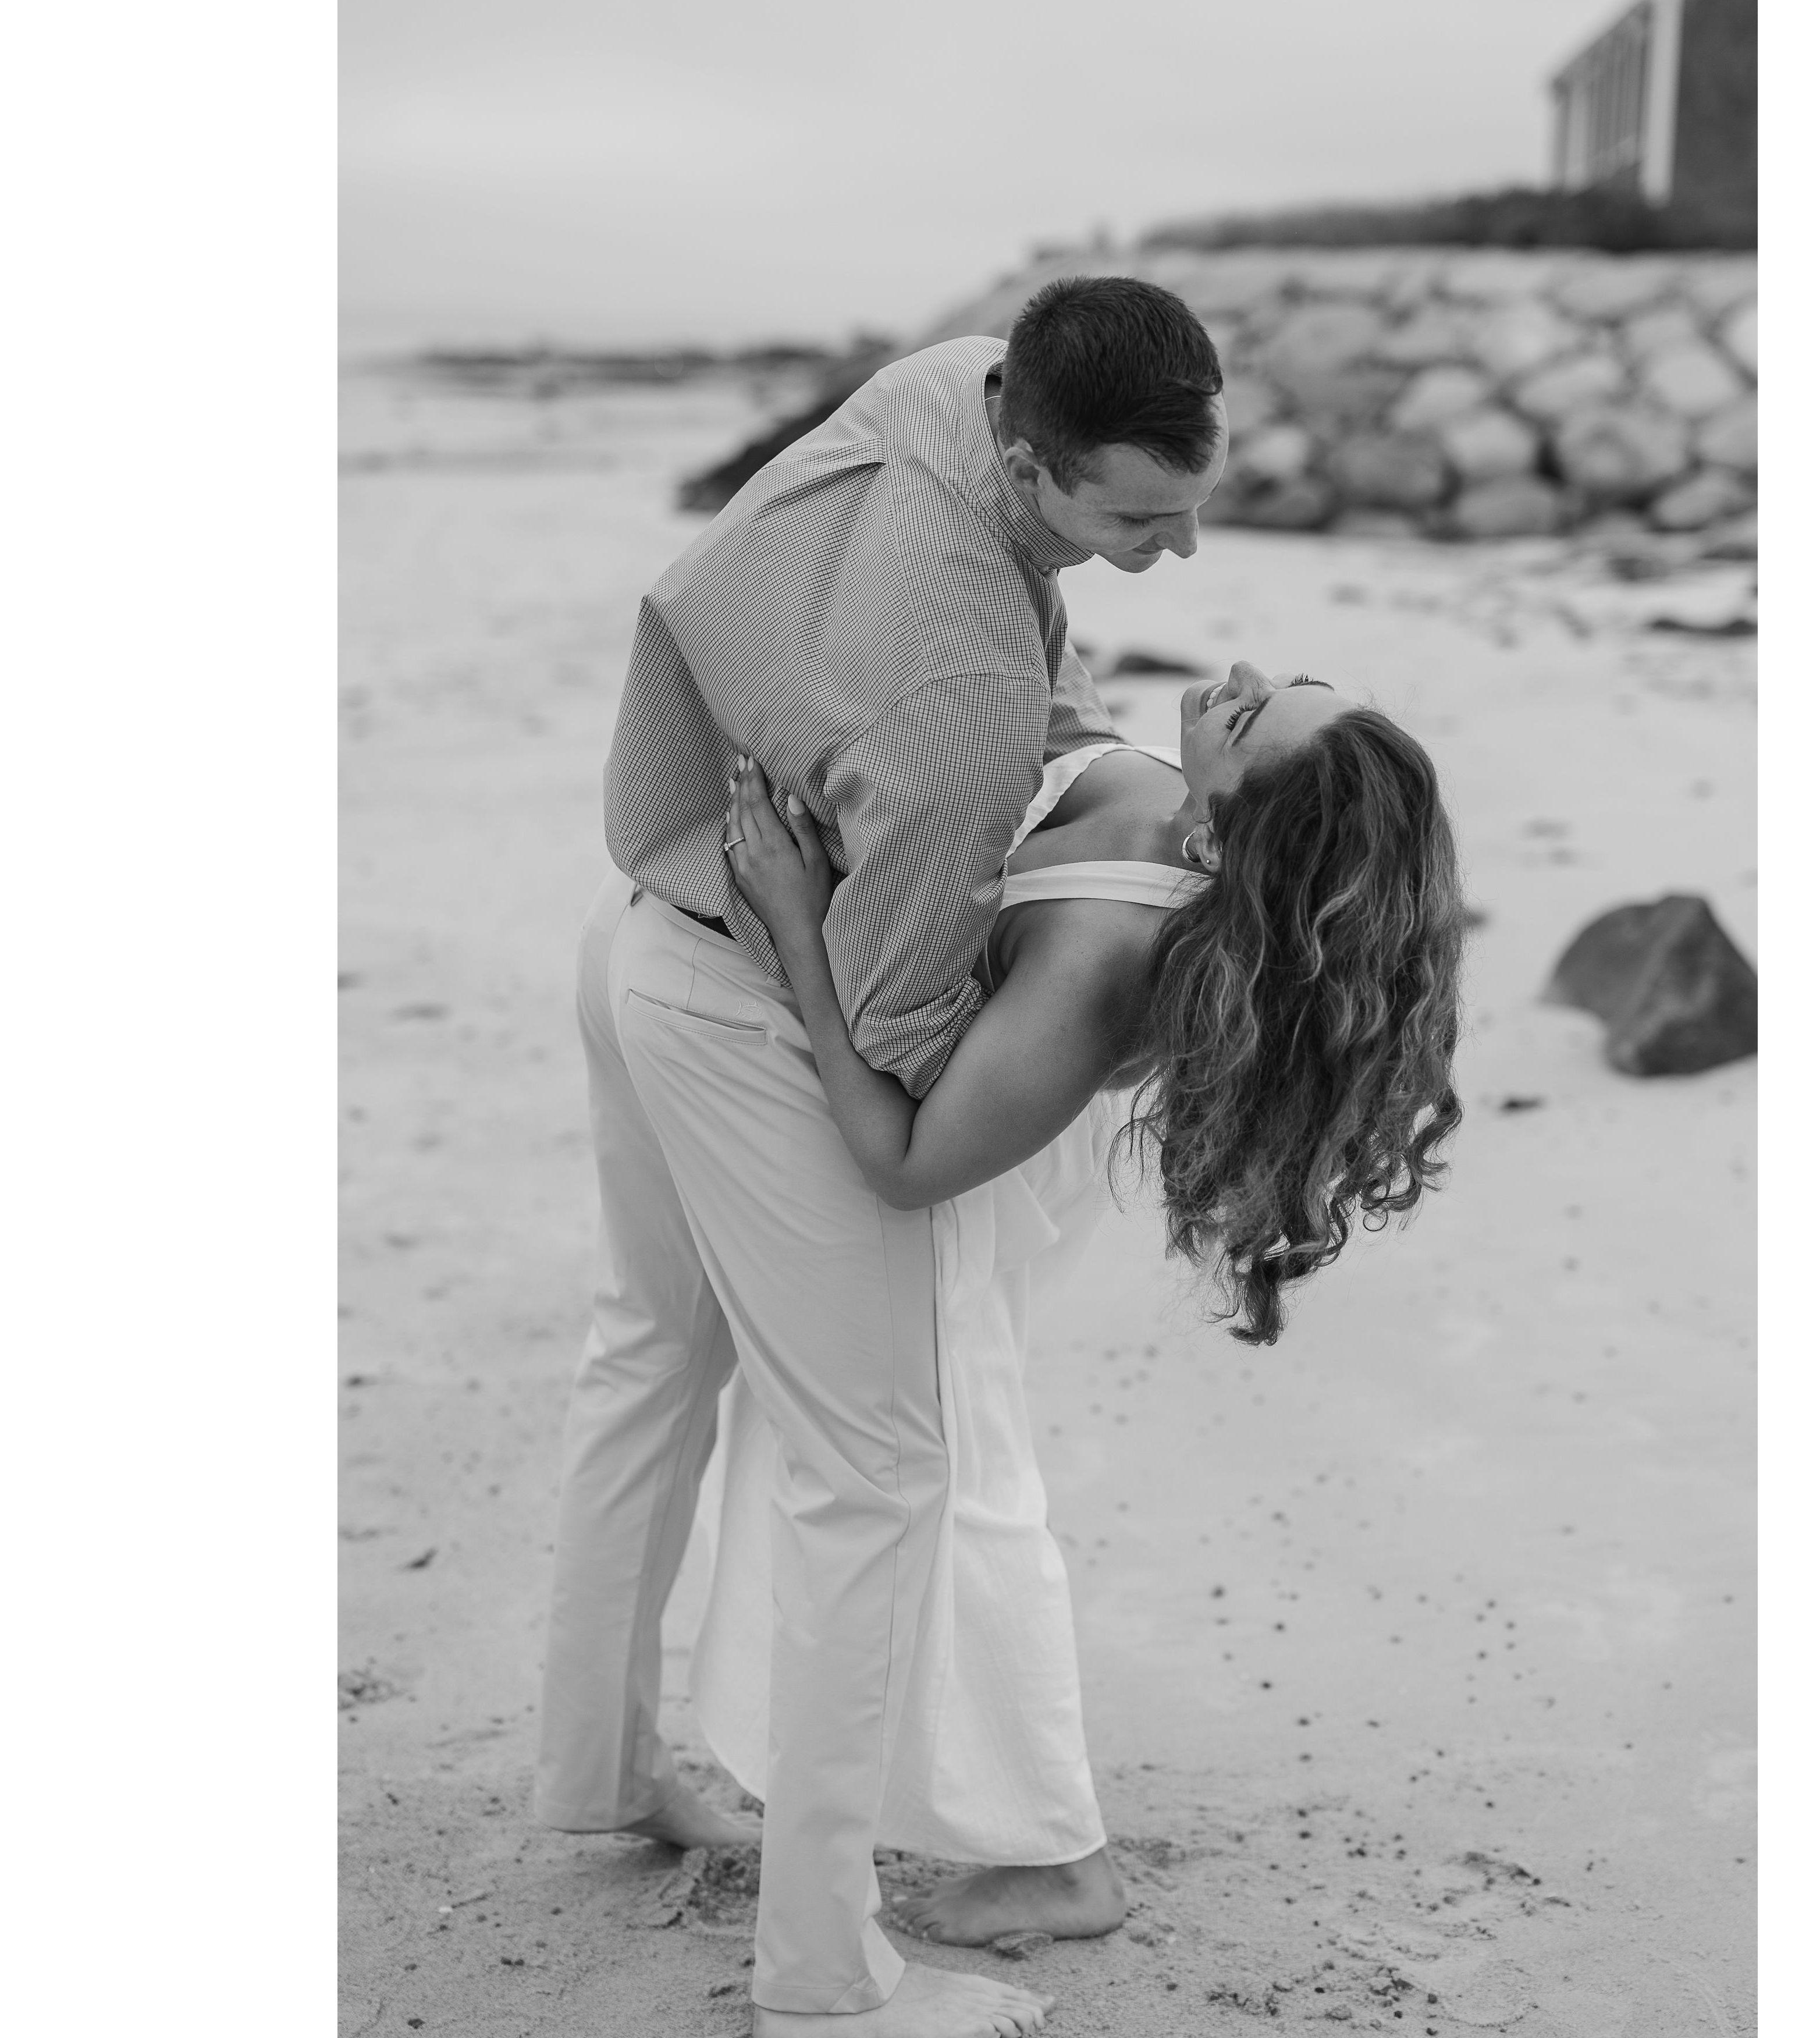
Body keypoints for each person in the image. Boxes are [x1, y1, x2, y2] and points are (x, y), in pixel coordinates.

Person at [536, 275, 1229, 2038]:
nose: (1176, 554)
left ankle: (601, 1773)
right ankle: (825, 1979)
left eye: (1192, 500)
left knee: (650, 1361)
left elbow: (990, 672)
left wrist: (1067, 770)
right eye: (1134, 521)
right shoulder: (961, 701)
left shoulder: (947, 384)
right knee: (880, 1478)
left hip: (640, 918)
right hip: (739, 1010)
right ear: (1031, 457)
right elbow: (899, 1048)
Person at [704, 660, 1465, 1943]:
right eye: (1286, 681)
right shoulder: (1180, 802)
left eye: (1250, 718)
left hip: (982, 1158)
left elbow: (911, 1167)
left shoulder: (1102, 952)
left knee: (964, 1464)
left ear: (1232, 825)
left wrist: (795, 921)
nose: (1236, 678)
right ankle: (897, 1774)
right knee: (879, 1446)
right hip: (1005, 1107)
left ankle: (1063, 1859)